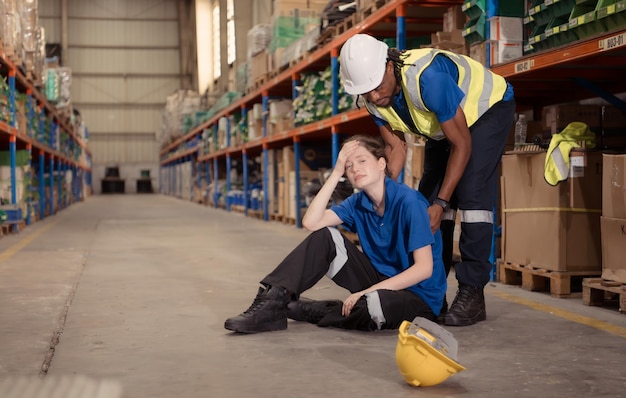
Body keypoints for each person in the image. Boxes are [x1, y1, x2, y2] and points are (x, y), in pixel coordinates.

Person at [339, 34, 516, 326]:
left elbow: (462, 145)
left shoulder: (428, 78)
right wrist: (384, 196)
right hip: (443, 124)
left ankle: (472, 292)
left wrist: (443, 201)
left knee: (471, 197)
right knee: (425, 205)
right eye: (366, 91)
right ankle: (433, 293)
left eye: (377, 87)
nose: (373, 96)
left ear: (388, 66)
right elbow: (396, 148)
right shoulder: (373, 97)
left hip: (488, 110)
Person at [224, 135, 446, 333]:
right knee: (325, 236)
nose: (355, 168)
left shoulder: (409, 201)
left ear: (381, 164)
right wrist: (337, 171)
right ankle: (273, 301)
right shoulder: (358, 202)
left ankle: (320, 311)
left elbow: (424, 269)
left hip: (419, 296)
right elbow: (311, 222)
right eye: (349, 166)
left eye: (362, 161)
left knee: (373, 307)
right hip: (379, 280)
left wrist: (367, 291)